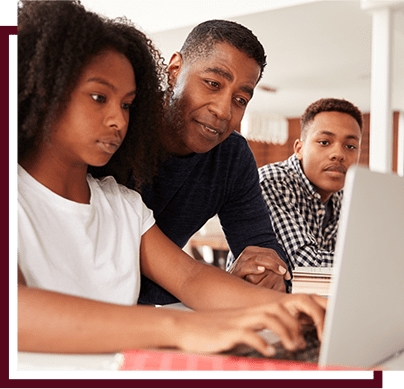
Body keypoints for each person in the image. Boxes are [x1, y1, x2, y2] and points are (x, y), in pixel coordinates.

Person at [17, 0, 326, 355]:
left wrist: (294, 307)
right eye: (99, 97)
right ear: (44, 92)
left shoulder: (122, 204)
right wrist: (183, 328)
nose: (118, 120)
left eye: (127, 104)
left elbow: (191, 277)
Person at [126, 20, 292, 306]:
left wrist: (268, 274)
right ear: (175, 70)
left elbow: (262, 247)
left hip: (155, 312)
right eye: (212, 84)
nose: (223, 111)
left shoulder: (232, 158)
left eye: (240, 99)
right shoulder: (117, 128)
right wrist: (222, 283)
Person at [256, 98, 362, 270]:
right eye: (324, 142)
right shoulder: (273, 182)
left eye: (350, 146)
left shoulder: (344, 195)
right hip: (260, 296)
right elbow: (305, 265)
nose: (338, 154)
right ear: (299, 149)